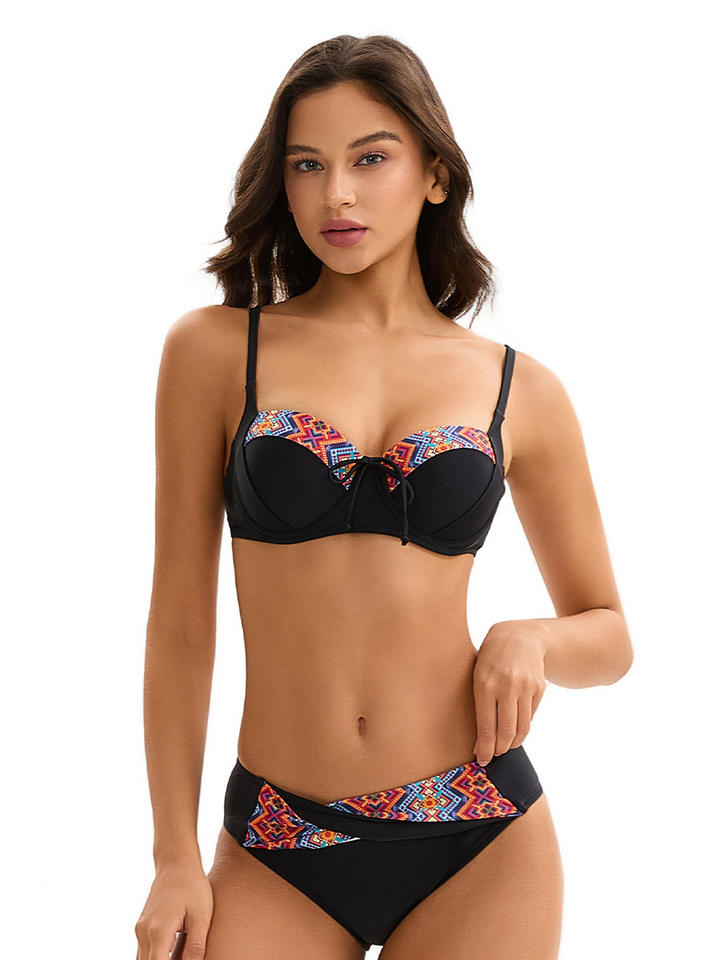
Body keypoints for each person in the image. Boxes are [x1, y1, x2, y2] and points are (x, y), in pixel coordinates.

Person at [134, 34, 634, 960]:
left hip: (480, 834)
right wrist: (174, 857)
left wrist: (531, 639)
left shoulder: (519, 388)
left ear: (435, 175)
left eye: (370, 159)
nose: (337, 195)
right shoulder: (214, 352)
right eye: (307, 165)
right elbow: (180, 626)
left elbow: (610, 635)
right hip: (280, 836)